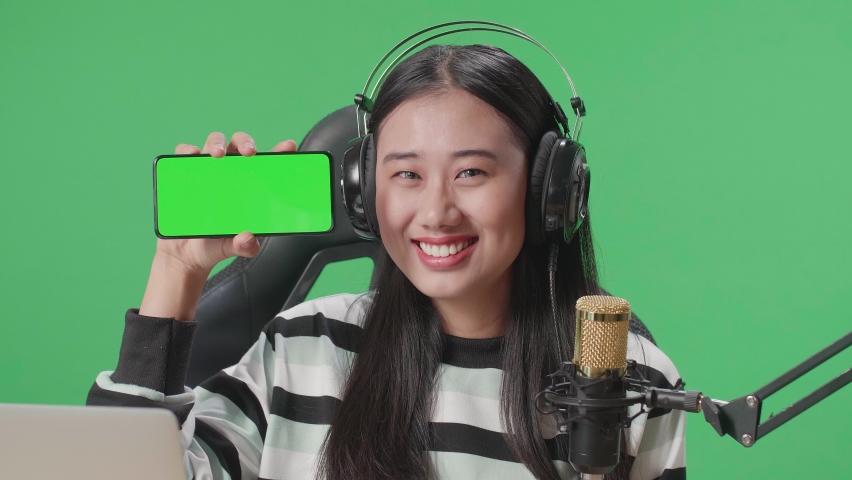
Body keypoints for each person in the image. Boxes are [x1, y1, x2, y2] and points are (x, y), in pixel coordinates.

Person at [88, 44, 686, 480]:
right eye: (406, 174)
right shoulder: (302, 348)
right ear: (366, 192)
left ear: (548, 188)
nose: (435, 211)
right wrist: (176, 270)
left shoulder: (630, 381)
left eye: (471, 172)